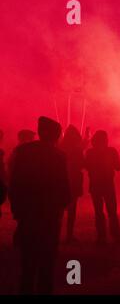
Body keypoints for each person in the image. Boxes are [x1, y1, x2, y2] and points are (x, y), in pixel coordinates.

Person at [8, 116, 71, 294]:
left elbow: (14, 183)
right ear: (55, 135)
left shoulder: (23, 152)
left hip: (28, 215)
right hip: (49, 216)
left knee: (27, 263)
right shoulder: (58, 156)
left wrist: (17, 211)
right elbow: (64, 189)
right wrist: (61, 205)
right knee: (47, 263)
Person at [85, 130, 120, 245]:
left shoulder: (90, 152)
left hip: (95, 185)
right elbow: (119, 167)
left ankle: (102, 237)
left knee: (99, 212)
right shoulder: (111, 151)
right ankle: (116, 236)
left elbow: (86, 166)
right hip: (107, 185)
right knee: (112, 211)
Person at [60, 125, 84, 243]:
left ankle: (56, 234)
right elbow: (82, 164)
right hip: (73, 180)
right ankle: (69, 235)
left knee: (58, 209)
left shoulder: (60, 147)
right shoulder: (77, 149)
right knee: (72, 209)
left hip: (61, 180)